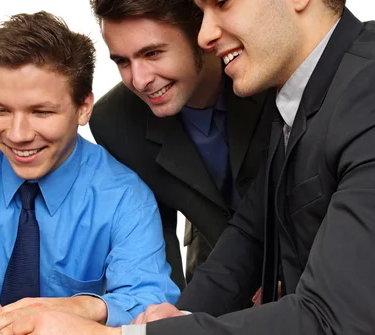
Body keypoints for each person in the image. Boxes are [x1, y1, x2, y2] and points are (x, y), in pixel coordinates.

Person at [9, 0, 375, 335]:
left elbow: (328, 332)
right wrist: (175, 318)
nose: (205, 34)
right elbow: (250, 236)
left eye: (221, 5)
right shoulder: (304, 93)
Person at [0, 11, 179, 335]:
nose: (18, 134)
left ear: (83, 108)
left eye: (41, 112)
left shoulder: (125, 196)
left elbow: (151, 300)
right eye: (1, 110)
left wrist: (82, 307)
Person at [88, 0, 274, 290]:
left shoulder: (270, 68)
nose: (139, 80)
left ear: (203, 34)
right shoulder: (113, 122)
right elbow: (153, 249)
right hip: (213, 269)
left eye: (152, 53)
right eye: (122, 61)